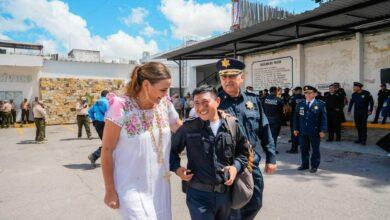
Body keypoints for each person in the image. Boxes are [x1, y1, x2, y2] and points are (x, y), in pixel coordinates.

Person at [100, 62, 181, 219]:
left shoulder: (164, 104)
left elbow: (182, 130)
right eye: (163, 89)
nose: (166, 94)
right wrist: (110, 189)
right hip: (131, 186)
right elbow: (107, 150)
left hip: (160, 185)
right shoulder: (121, 106)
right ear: (146, 85)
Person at [171, 85, 251, 220]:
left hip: (226, 195)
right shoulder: (188, 127)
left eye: (205, 102)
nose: (200, 108)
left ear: (217, 102)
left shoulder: (232, 125)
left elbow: (244, 152)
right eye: (196, 103)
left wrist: (235, 167)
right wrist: (178, 169)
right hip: (198, 196)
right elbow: (172, 152)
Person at [216, 58, 276, 219]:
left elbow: (264, 129)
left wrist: (271, 158)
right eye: (224, 77)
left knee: (255, 203)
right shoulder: (215, 102)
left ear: (241, 77)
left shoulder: (253, 100)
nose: (228, 81)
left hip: (250, 163)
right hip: (227, 165)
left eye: (232, 76)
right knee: (233, 209)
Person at [293, 86, 327, 173]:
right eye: (306, 93)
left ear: (315, 94)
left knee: (315, 149)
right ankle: (305, 164)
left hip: (315, 131)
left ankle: (314, 166)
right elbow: (296, 118)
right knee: (304, 149)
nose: (307, 94)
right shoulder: (300, 104)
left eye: (310, 93)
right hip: (303, 131)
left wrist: (322, 130)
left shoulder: (320, 104)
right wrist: (295, 128)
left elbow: (324, 119)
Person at [88, 90, 109, 165]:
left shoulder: (96, 102)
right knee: (108, 143)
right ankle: (94, 156)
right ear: (107, 95)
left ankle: (95, 156)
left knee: (106, 142)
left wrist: (93, 120)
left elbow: (90, 111)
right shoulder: (107, 102)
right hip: (105, 124)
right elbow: (110, 113)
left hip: (97, 124)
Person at [263, 86, 284, 154]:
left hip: (266, 119)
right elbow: (282, 111)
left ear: (269, 91)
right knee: (274, 136)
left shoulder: (265, 98)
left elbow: (262, 109)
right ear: (276, 91)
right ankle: (272, 150)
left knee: (267, 135)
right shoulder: (279, 99)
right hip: (276, 120)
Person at [286, 87, 305, 153]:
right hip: (303, 118)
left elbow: (289, 108)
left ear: (296, 91)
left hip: (295, 118)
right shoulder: (304, 97)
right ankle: (306, 148)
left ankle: (294, 149)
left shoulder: (293, 98)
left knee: (294, 133)